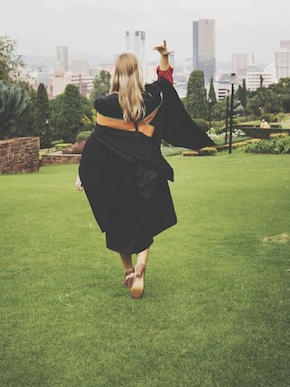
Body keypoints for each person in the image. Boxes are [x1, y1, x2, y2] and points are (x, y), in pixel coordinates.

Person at [76, 40, 214, 299]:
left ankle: (129, 271)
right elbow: (166, 86)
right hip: (147, 173)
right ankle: (140, 269)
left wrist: (81, 173)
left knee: (118, 223)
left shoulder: (105, 105)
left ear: (116, 74)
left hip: (117, 177)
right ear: (138, 73)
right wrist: (164, 57)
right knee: (144, 224)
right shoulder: (151, 99)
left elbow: (96, 144)